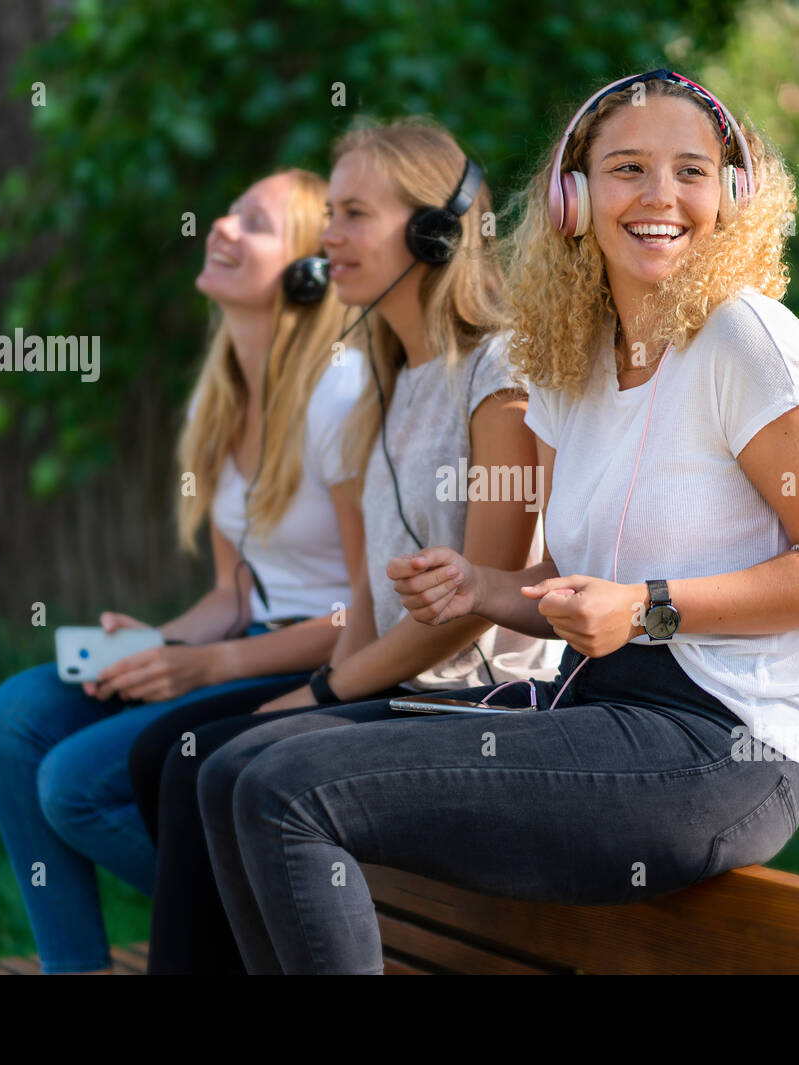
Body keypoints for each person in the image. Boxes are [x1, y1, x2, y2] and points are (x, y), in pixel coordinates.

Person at [197, 70, 799, 974]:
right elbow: (560, 587)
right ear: (573, 198)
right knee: (230, 771)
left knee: (290, 791)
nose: (659, 197)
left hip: (725, 747)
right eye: (627, 168)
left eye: (691, 170)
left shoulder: (751, 340)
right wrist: (477, 585)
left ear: (731, 194)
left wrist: (647, 608)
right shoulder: (575, 359)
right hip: (595, 710)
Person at [128, 117, 562, 973]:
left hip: (479, 701)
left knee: (211, 765)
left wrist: (320, 690)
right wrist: (320, 693)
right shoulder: (389, 382)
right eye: (330, 213)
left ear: (435, 230)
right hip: (397, 682)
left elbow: (468, 610)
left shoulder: (499, 374)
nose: (329, 238)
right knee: (170, 754)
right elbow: (368, 595)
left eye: (354, 213)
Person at [0, 167, 368, 973]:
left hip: (326, 663)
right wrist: (158, 640)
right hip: (243, 640)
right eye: (227, 212)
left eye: (253, 223)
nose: (221, 227)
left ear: (308, 271)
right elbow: (235, 590)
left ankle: (272, 926)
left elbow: (366, 612)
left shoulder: (342, 396)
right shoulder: (221, 398)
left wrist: (211, 660)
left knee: (73, 784)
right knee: (13, 717)